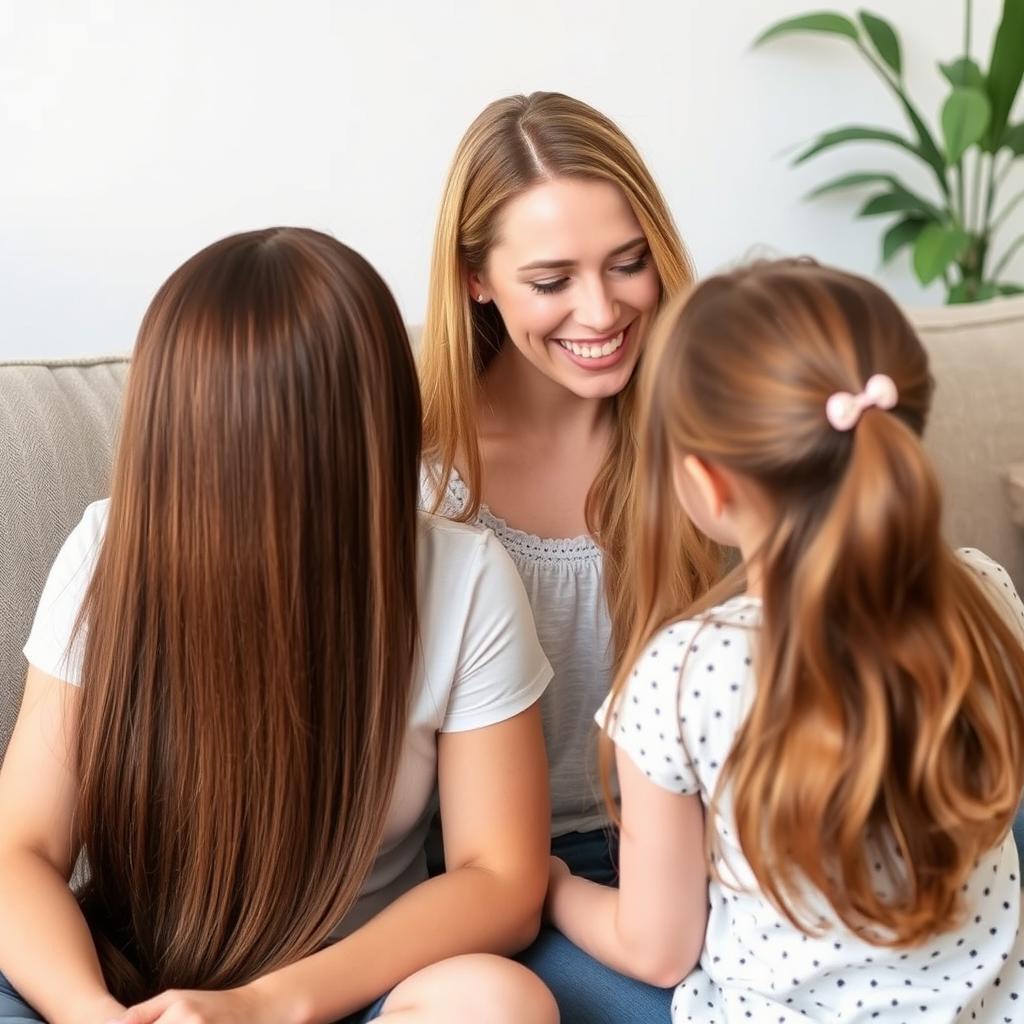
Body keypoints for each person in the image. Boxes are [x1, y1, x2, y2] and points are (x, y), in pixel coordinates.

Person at [0, 228, 558, 1024]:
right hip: (127, 986)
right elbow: (19, 851)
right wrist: (93, 1013)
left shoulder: (463, 578)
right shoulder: (106, 551)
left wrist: (270, 1004)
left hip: (346, 991)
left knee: (499, 1002)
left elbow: (501, 880)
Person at [547, 258, 1024, 1022]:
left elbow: (658, 949)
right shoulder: (988, 596)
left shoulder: (685, 671)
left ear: (706, 485)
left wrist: (555, 889)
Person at [419, 91, 721, 1019]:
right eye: (551, 281)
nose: (601, 310)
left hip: (718, 848)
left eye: (629, 264)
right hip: (514, 887)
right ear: (477, 280)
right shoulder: (426, 481)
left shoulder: (713, 441)